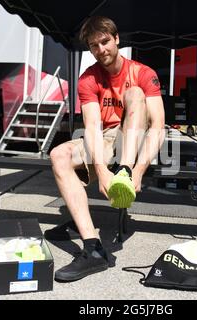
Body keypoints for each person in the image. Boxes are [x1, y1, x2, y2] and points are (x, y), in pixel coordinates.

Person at [48, 16, 165, 281]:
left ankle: (123, 170)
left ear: (117, 39)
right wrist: (100, 171)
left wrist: (136, 172)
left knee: (134, 93)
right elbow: (91, 126)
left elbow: (158, 124)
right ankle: (93, 249)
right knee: (58, 155)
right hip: (104, 137)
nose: (101, 50)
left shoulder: (143, 73)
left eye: (105, 42)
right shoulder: (88, 79)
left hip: (135, 136)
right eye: (94, 46)